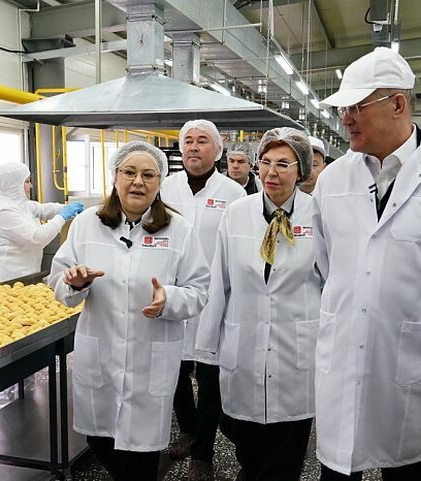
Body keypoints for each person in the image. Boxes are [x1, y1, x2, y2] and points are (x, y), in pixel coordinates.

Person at [309, 46, 421, 480]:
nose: (346, 118)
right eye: (343, 108)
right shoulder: (333, 179)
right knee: (337, 468)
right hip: (344, 349)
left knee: (406, 469)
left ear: (397, 104)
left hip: (414, 355)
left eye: (356, 107)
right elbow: (326, 265)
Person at [48, 141, 210, 481]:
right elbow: (58, 282)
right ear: (115, 177)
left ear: (159, 182)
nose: (138, 181)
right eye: (129, 172)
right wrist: (75, 284)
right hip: (101, 355)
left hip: (149, 360)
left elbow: (198, 291)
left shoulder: (179, 230)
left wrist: (168, 299)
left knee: (141, 457)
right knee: (99, 439)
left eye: (148, 175)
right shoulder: (86, 224)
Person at [195, 127, 323, 481]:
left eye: (283, 164)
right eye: (265, 162)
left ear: (301, 170)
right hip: (244, 346)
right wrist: (207, 350)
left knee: (287, 452)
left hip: (297, 348)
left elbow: (331, 284)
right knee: (248, 444)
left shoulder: (318, 215)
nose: (271, 172)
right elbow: (219, 282)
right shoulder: (237, 213)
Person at [161, 120, 246, 480]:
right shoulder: (165, 188)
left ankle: (203, 452)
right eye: (188, 141)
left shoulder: (233, 193)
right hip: (172, 294)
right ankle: (188, 428)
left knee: (211, 379)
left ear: (217, 151)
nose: (194, 147)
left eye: (202, 141)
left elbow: (241, 247)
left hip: (214, 299)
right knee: (174, 372)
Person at [0, 162, 83, 286]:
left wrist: (66, 208)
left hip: (23, 277)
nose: (31, 185)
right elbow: (37, 237)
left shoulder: (20, 204)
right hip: (5, 279)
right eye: (27, 181)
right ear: (14, 185)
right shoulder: (4, 210)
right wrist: (62, 217)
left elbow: (42, 209)